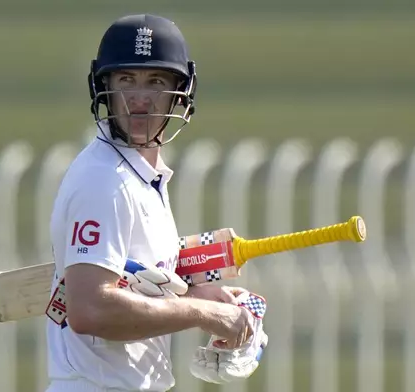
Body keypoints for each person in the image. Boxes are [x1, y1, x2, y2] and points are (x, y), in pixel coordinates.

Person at [46, 14, 263, 392]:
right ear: (105, 88)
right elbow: (90, 309)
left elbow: (134, 286)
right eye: (126, 80)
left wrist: (200, 295)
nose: (140, 98)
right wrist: (206, 314)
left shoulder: (142, 177)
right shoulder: (104, 181)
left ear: (181, 93)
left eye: (156, 82)